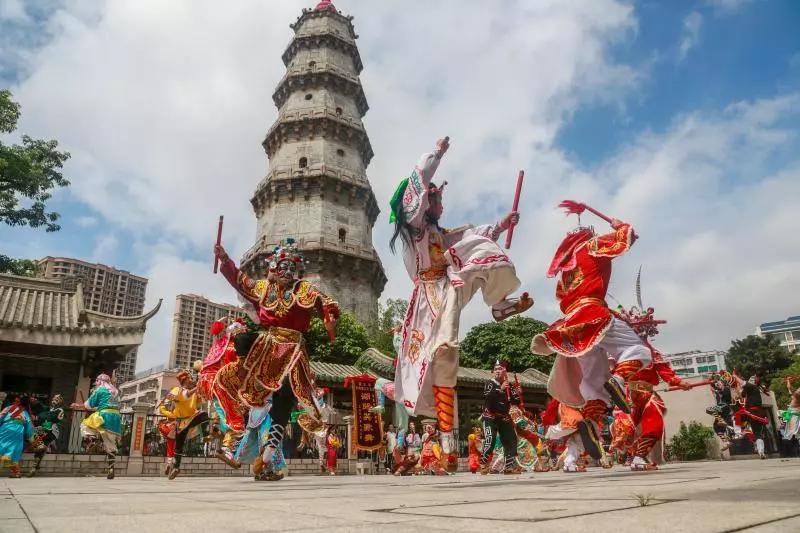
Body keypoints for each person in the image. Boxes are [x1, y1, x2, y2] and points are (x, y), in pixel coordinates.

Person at [390, 136, 533, 465]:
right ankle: (446, 441)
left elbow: (473, 237)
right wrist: (436, 154)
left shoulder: (443, 234)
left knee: (476, 249)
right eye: (435, 198)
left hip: (448, 287)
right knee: (443, 356)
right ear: (424, 203)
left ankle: (498, 302)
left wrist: (501, 224)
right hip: (426, 298)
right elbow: (416, 184)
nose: (440, 204)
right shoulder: (416, 231)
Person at [531, 207, 652, 461]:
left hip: (571, 322)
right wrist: (621, 226)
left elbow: (563, 301)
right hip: (593, 313)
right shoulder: (592, 245)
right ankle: (619, 380)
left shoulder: (566, 270)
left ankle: (585, 432)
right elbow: (624, 239)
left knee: (593, 383)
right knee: (638, 351)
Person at [214, 238, 339, 481]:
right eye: (282, 266)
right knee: (251, 387)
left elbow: (327, 303)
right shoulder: (264, 288)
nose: (287, 271)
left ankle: (267, 457)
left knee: (286, 400)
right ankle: (239, 446)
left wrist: (330, 317)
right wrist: (225, 259)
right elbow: (241, 281)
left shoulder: (304, 289)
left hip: (293, 351)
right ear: (273, 268)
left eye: (292, 267)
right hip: (268, 348)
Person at [159, 370, 211, 479]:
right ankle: (176, 468)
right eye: (190, 378)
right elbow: (184, 396)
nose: (192, 380)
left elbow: (199, 402)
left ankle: (206, 436)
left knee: (204, 415)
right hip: (180, 421)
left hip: (192, 417)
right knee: (178, 445)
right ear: (185, 380)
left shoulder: (193, 391)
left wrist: (201, 389)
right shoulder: (177, 390)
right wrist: (197, 388)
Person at [71, 374, 121, 479]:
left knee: (85, 424)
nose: (96, 383)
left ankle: (93, 440)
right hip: (115, 418)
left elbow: (89, 404)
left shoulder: (100, 390)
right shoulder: (115, 392)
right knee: (110, 446)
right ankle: (111, 468)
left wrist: (78, 405)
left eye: (97, 381)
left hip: (103, 416)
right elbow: (105, 405)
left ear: (100, 381)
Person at [480, 362, 523, 475]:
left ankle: (509, 467)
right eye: (496, 369)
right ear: (493, 372)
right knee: (491, 439)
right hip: (490, 416)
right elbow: (487, 396)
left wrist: (518, 393)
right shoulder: (490, 383)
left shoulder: (509, 385)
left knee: (511, 440)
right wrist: (500, 389)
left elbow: (515, 401)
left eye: (500, 369)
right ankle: (484, 464)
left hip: (504, 417)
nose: (498, 371)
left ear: (504, 372)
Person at [27, 394, 65, 477]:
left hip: (51, 431)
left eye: (57, 399)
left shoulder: (60, 410)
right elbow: (42, 407)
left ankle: (41, 448)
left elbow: (50, 417)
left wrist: (37, 417)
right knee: (40, 450)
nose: (55, 400)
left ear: (61, 402)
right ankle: (34, 467)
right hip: (46, 430)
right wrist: (35, 401)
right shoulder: (50, 409)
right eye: (54, 398)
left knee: (31, 433)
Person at [0, 395, 34, 478]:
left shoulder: (8, 408)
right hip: (18, 432)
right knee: (13, 452)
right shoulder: (25, 413)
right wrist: (31, 439)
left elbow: (0, 417)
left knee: (1, 448)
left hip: (5, 430)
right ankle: (16, 473)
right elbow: (29, 428)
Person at [741, 376, 768, 459]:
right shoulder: (754, 389)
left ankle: (758, 448)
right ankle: (760, 449)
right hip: (757, 413)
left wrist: (734, 376)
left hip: (752, 413)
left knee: (755, 432)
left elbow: (743, 391)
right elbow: (743, 394)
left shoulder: (753, 388)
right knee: (757, 433)